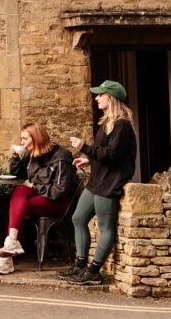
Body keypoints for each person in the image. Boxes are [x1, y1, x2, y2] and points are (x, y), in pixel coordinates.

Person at [61, 80, 137, 286]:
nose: (96, 98)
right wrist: (89, 159)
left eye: (100, 95)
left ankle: (94, 272)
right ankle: (81, 266)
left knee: (105, 227)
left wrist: (84, 147)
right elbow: (105, 153)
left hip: (110, 182)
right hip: (98, 179)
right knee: (78, 218)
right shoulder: (107, 123)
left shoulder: (122, 125)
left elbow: (112, 154)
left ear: (110, 98)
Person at [0, 121, 79, 275]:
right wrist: (15, 158)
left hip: (59, 202)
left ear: (36, 138)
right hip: (42, 196)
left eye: (25, 139)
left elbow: (60, 190)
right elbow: (19, 175)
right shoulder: (32, 155)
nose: (22, 143)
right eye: (21, 139)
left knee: (17, 207)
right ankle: (11, 243)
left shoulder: (61, 157)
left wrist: (36, 187)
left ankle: (6, 260)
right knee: (19, 191)